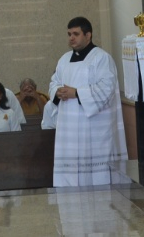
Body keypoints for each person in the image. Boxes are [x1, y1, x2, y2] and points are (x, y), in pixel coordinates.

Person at [49, 16, 128, 186]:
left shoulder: (101, 58)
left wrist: (76, 93)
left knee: (96, 177)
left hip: (93, 127)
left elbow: (107, 88)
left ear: (88, 35)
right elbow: (54, 81)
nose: (71, 38)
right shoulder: (63, 59)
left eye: (76, 34)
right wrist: (57, 91)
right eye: (69, 34)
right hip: (69, 127)